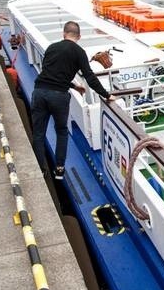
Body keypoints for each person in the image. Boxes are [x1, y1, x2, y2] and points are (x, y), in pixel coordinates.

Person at [31, 21, 116, 179]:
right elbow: (90, 77)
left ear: (64, 34)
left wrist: (74, 86)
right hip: (59, 96)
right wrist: (106, 95)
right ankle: (59, 169)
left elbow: (50, 73)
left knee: (38, 133)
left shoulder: (51, 48)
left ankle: (40, 170)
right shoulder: (79, 52)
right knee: (61, 131)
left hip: (39, 92)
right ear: (79, 36)